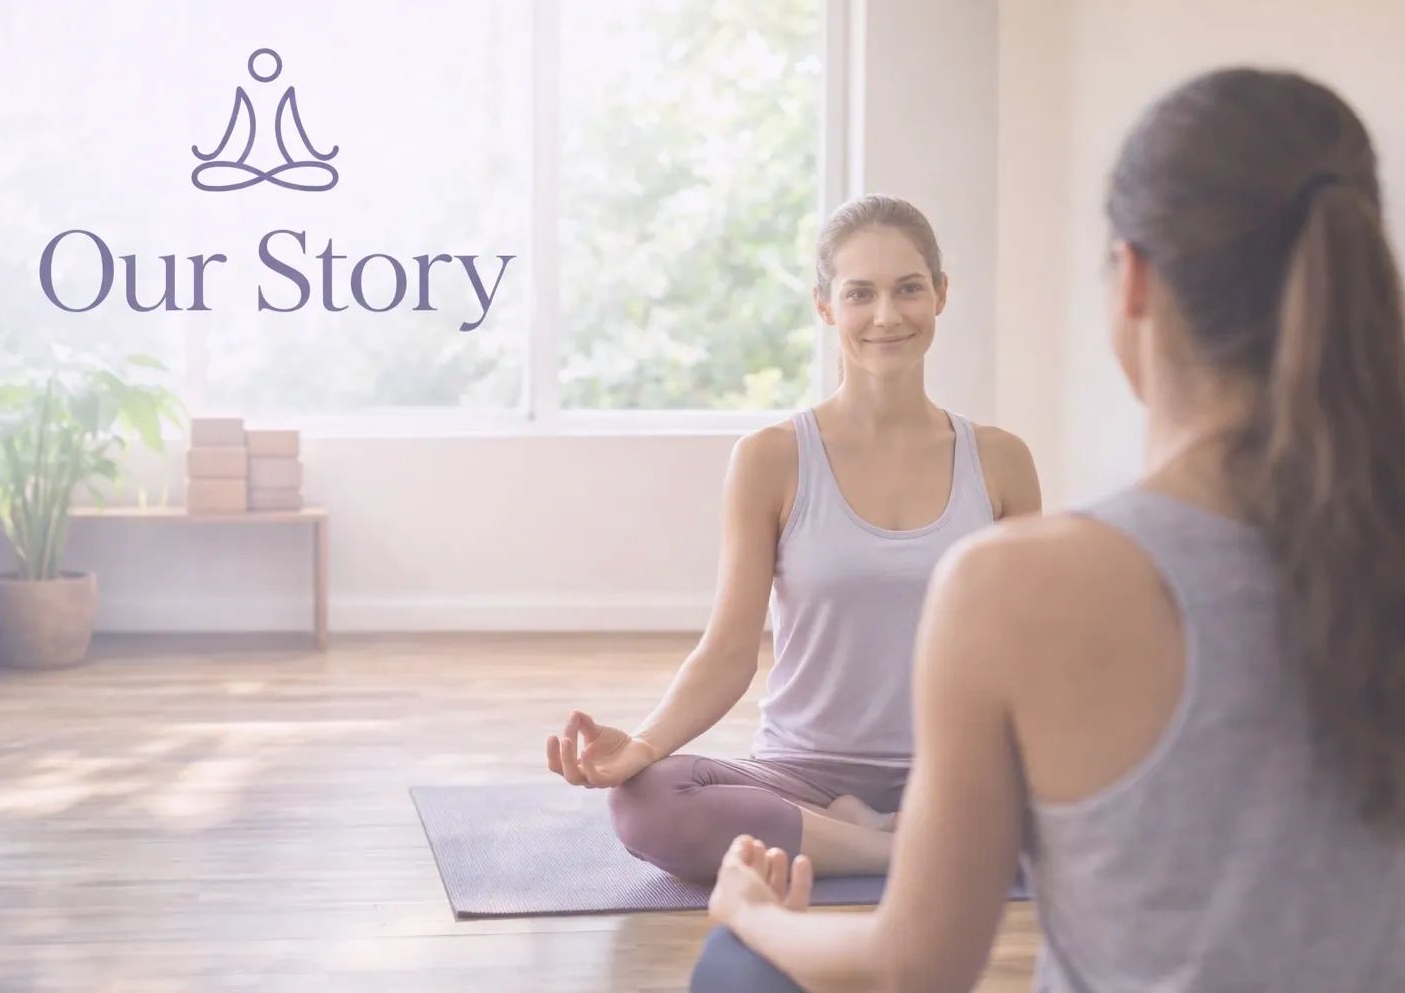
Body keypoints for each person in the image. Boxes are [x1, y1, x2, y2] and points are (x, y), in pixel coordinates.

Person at [694, 67, 1405, 992]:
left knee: (735, 964)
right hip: (815, 776)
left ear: (1136, 281)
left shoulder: (1015, 583)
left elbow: (914, 967)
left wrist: (751, 914)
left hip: (886, 846)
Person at [545, 195, 1041, 880]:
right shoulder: (771, 459)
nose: (888, 315)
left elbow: (1028, 652)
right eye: (860, 293)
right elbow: (728, 653)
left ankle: (893, 836)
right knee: (649, 801)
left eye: (909, 289)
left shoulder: (1001, 460)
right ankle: (900, 850)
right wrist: (643, 744)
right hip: (802, 778)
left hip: (956, 771)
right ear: (825, 306)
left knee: (1123, 795)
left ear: (941, 295)